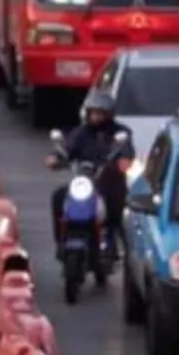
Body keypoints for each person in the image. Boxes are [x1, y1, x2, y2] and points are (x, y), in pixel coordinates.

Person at [46, 91, 135, 252]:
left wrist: (123, 161)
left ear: (108, 114)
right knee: (58, 197)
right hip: (84, 182)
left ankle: (114, 241)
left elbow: (126, 151)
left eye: (100, 113)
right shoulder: (81, 132)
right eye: (92, 112)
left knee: (117, 205)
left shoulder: (120, 133)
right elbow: (67, 149)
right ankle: (61, 239)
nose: (95, 116)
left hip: (109, 182)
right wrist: (56, 157)